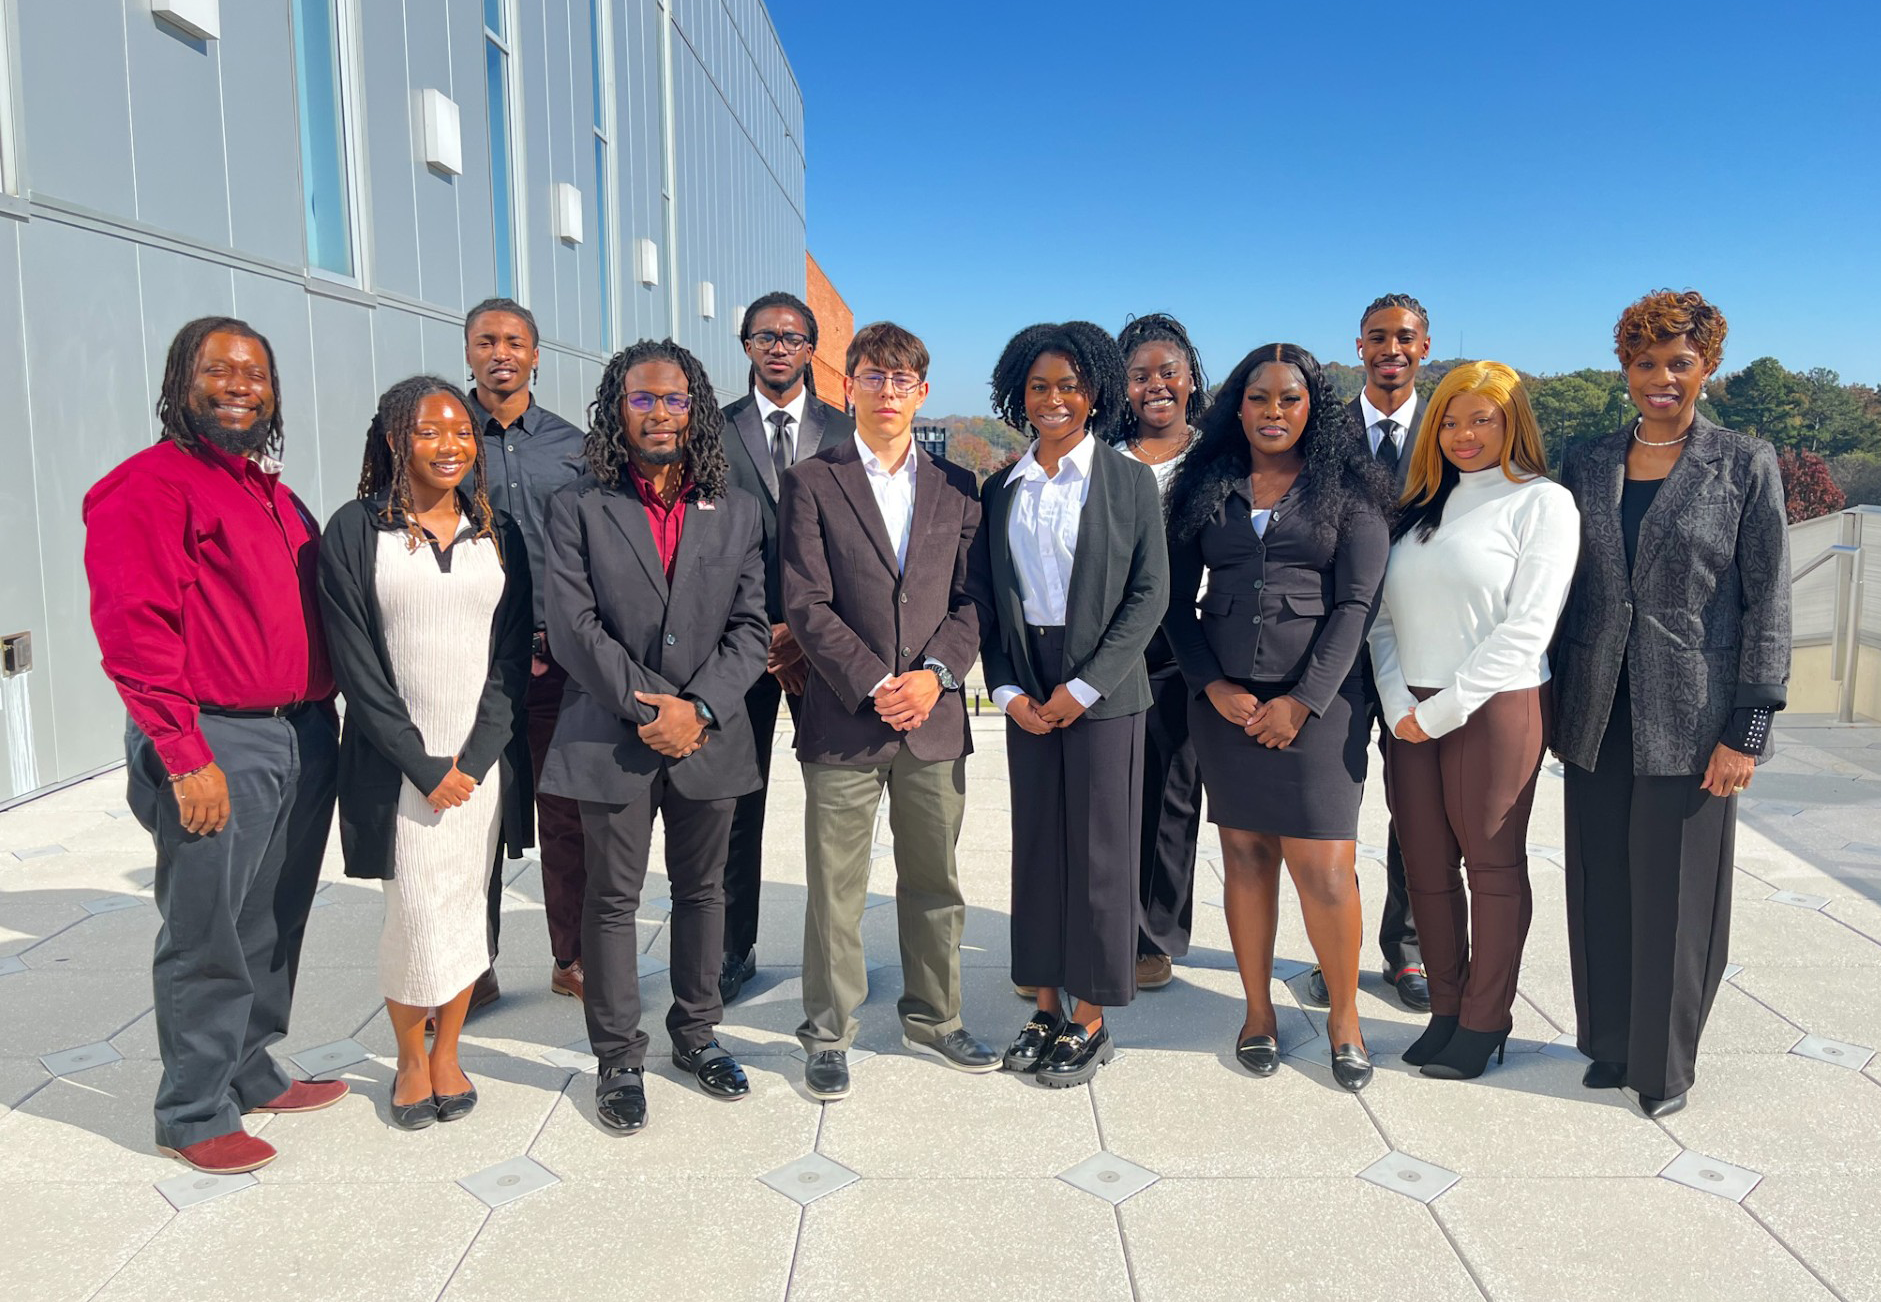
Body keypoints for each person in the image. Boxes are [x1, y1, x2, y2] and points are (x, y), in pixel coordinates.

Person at [83, 317, 345, 1174]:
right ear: (181, 381)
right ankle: (193, 1109)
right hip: (217, 737)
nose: (240, 385)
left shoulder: (269, 492)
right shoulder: (149, 487)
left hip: (302, 733)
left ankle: (251, 1067)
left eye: (256, 374)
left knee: (272, 919)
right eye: (219, 369)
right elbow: (135, 632)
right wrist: (184, 753)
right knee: (207, 931)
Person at [1555, 290, 1790, 1118]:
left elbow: (1768, 601)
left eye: (1678, 363)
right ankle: (1609, 1042)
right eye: (1645, 362)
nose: (1661, 378)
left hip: (1693, 719)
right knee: (1601, 882)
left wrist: (1748, 728)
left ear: (1707, 366)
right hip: (1594, 709)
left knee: (1678, 896)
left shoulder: (1743, 462)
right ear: (1624, 367)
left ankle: (1662, 1066)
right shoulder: (1584, 462)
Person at [539, 339, 770, 1134]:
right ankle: (617, 1058)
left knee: (703, 892)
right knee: (612, 900)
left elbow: (751, 628)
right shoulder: (577, 504)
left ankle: (696, 1034)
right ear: (618, 407)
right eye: (642, 398)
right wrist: (652, 711)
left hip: (709, 735)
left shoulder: (735, 508)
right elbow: (572, 627)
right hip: (612, 733)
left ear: (694, 408)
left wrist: (697, 708)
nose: (660, 413)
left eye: (674, 399)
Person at [780, 320, 1001, 1100]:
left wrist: (935, 676)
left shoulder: (959, 486)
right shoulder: (812, 481)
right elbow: (804, 602)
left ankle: (935, 1018)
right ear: (848, 387)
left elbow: (975, 600)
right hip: (845, 718)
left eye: (901, 379)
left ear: (921, 391)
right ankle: (827, 1030)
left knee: (935, 881)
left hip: (933, 720)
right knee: (835, 889)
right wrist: (876, 681)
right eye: (872, 376)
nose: (886, 391)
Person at [1163, 343, 1393, 1091]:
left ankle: (1345, 1020)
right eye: (1258, 398)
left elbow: (1357, 604)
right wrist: (1211, 686)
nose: (1272, 412)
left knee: (1324, 869)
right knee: (1246, 857)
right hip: (1226, 705)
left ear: (1312, 408)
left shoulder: (1350, 491)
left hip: (1320, 704)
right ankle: (1257, 1012)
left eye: (1289, 399)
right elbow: (1173, 602)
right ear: (1237, 407)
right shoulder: (1206, 486)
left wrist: (1301, 701)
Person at [318, 377, 534, 1129]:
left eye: (463, 432)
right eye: (429, 431)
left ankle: (449, 1053)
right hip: (397, 769)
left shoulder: (497, 531)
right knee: (412, 914)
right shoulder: (355, 530)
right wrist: (422, 765)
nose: (450, 446)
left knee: (467, 908)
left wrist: (474, 760)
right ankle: (411, 1059)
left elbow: (511, 658)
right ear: (393, 440)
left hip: (479, 770)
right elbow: (356, 666)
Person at [1367, 362, 1580, 1080]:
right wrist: (1398, 704)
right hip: (1410, 712)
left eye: (1482, 419)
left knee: (1491, 868)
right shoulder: (1420, 509)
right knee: (1425, 869)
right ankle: (1446, 1008)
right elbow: (1383, 621)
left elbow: (1529, 628)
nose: (1464, 435)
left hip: (1495, 706)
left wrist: (1442, 711)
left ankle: (1486, 1020)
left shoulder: (1542, 503)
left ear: (1511, 423)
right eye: (1450, 421)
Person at [981, 322, 1168, 1085]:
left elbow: (1150, 593)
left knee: (1097, 853)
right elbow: (988, 603)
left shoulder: (1128, 482)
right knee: (1036, 846)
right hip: (1028, 684)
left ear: (1095, 393)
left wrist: (1082, 689)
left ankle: (1089, 1015)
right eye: (1038, 387)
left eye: (1068, 385)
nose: (1052, 399)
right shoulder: (1001, 489)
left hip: (1105, 689)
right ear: (1017, 396)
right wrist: (1007, 692)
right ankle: (1044, 1003)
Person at [718, 292, 856, 1003]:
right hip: (736, 646)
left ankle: (833, 962)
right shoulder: (711, 431)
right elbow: (704, 544)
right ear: (745, 344)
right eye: (765, 336)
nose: (779, 347)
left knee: (836, 809)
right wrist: (759, 630)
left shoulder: (847, 431)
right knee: (734, 807)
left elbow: (860, 545)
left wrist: (804, 630)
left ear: (810, 350)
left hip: (823, 651)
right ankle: (730, 949)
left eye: (793, 337)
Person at [1307, 293, 1432, 1012]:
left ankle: (1406, 949)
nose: (1391, 349)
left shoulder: (1449, 430)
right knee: (1334, 813)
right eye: (1378, 337)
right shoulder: (1324, 432)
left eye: (1404, 337)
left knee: (1413, 808)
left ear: (1423, 346)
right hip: (1336, 647)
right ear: (1359, 347)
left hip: (1419, 646)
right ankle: (1338, 949)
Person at [469, 297, 589, 1007]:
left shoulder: (574, 446)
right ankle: (470, 966)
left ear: (536, 356)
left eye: (514, 342)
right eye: (486, 341)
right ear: (469, 353)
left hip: (557, 663)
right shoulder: (444, 437)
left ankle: (570, 957)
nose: (501, 353)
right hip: (471, 662)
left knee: (566, 813)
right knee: (471, 817)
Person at [1114, 313, 1209, 992]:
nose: (1155, 386)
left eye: (1167, 372)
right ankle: (1107, 921)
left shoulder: (1217, 458)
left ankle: (1156, 935)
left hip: (1191, 646)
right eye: (1139, 375)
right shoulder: (1103, 458)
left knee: (1174, 795)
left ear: (1190, 379)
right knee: (1113, 794)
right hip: (1115, 644)